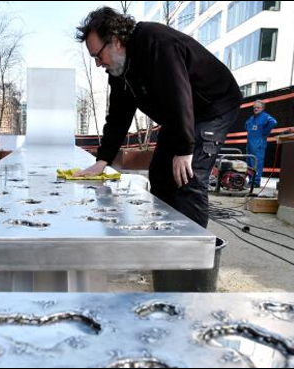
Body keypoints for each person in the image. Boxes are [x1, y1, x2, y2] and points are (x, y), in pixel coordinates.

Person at [73, 7, 243, 292]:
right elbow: (118, 117)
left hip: (212, 106)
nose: (98, 64)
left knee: (186, 177)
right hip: (183, 115)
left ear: (115, 40)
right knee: (160, 173)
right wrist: (102, 160)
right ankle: (165, 257)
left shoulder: (155, 42)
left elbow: (179, 92)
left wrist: (185, 148)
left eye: (97, 55)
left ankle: (190, 276)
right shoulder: (120, 71)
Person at [244, 100, 277, 188]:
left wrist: (265, 132)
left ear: (262, 108)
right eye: (254, 107)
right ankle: (251, 180)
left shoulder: (265, 117)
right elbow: (246, 125)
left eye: (258, 107)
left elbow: (274, 122)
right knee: (249, 162)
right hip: (250, 144)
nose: (255, 109)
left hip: (258, 144)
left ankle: (256, 181)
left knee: (257, 163)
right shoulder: (252, 118)